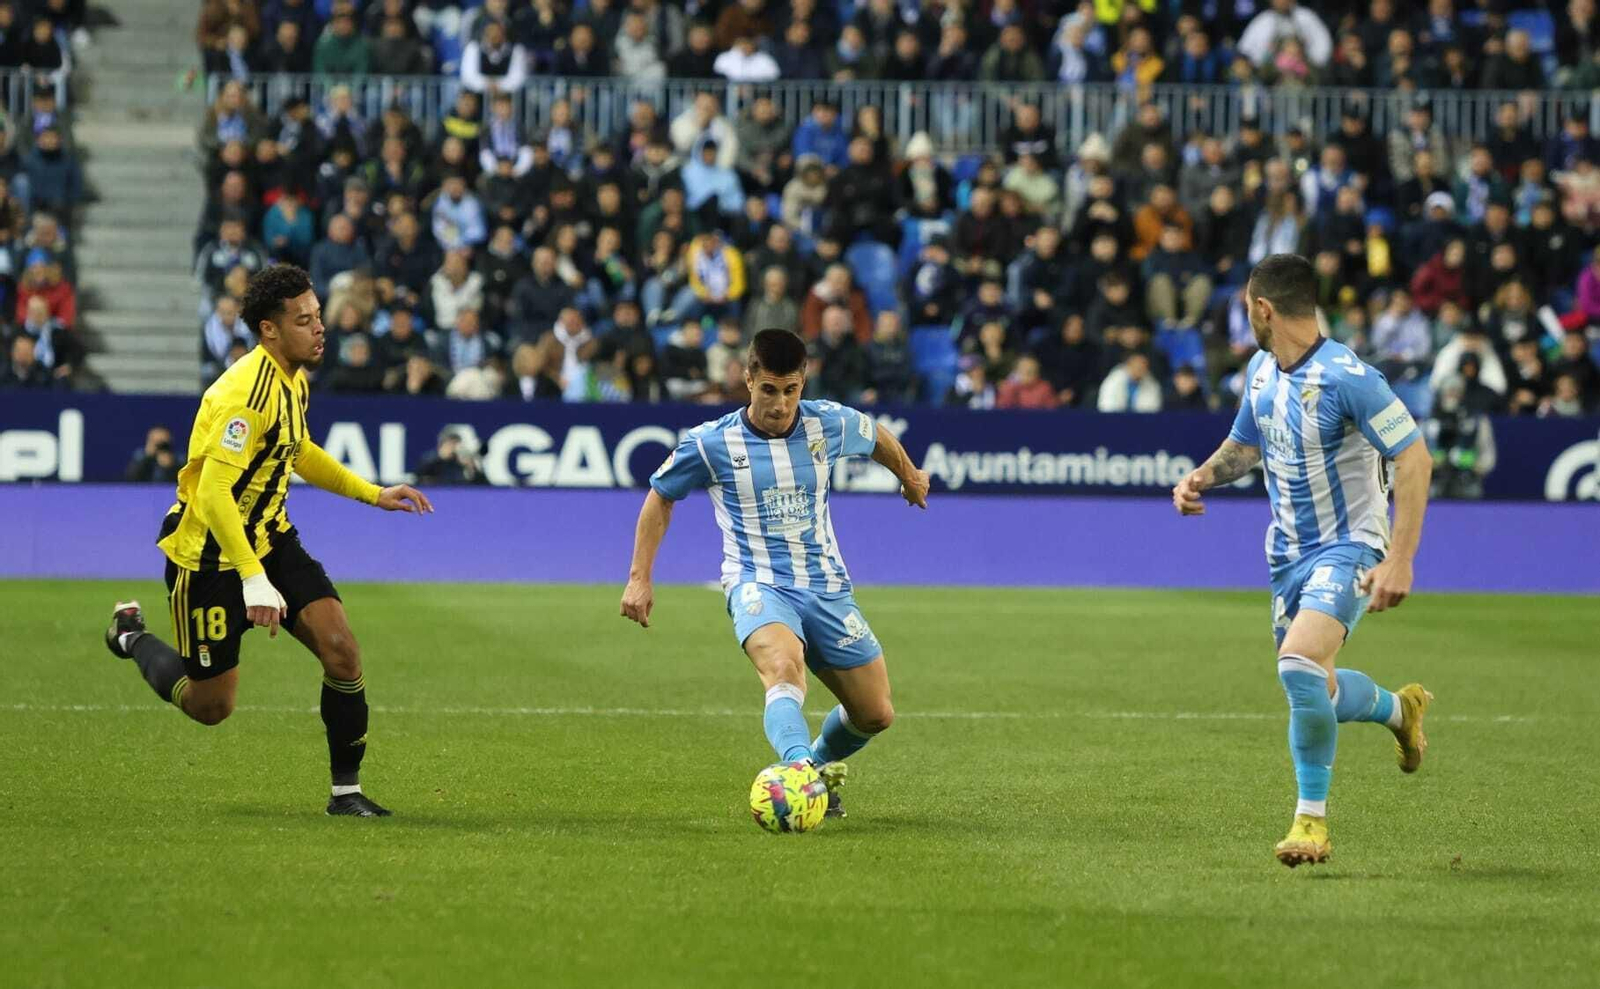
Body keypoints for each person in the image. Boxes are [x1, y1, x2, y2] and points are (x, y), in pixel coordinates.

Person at [99, 264, 434, 819]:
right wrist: (252, 578)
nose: (319, 329)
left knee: (342, 650)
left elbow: (298, 449)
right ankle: (131, 636)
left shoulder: (293, 377)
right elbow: (212, 493)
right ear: (269, 330)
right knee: (211, 706)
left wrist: (372, 493)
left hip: (271, 537)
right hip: (208, 554)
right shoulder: (242, 395)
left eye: (319, 315)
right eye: (304, 321)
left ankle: (345, 795)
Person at [1172, 253, 1434, 868]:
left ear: (1263, 308)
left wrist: (1400, 559)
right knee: (1316, 684)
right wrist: (1203, 477)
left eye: (1246, 309)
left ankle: (1310, 822)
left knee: (1297, 665)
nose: (1246, 320)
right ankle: (1402, 710)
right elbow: (1245, 445)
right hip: (1286, 556)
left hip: (1351, 547)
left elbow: (1415, 459)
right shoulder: (1262, 372)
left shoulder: (1351, 377)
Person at [620, 329, 930, 819]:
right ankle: (798, 771)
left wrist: (909, 475)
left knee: (875, 713)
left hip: (827, 586)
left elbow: (875, 435)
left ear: (803, 382)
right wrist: (640, 577)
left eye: (790, 390)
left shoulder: (827, 423)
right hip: (757, 583)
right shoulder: (712, 443)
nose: (781, 404)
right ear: (747, 380)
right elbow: (661, 496)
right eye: (769, 390)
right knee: (784, 670)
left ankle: (817, 771)